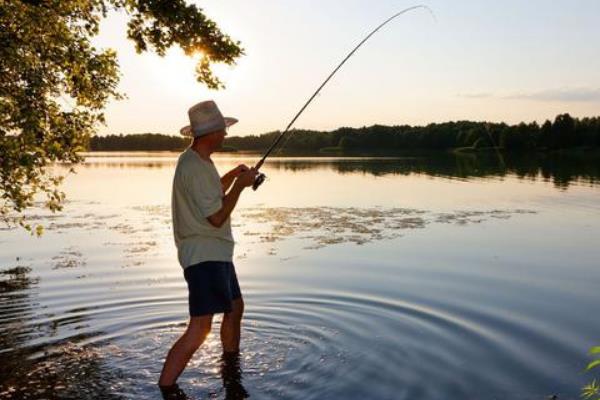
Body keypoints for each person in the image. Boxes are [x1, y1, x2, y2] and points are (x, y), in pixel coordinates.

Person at [158, 100, 257, 396]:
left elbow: (210, 195)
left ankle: (230, 366)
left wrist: (232, 178)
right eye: (223, 131)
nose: (226, 135)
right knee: (200, 328)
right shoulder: (195, 167)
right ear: (211, 133)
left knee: (236, 308)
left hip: (215, 253)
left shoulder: (197, 162)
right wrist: (240, 187)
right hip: (204, 255)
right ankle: (166, 387)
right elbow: (215, 217)